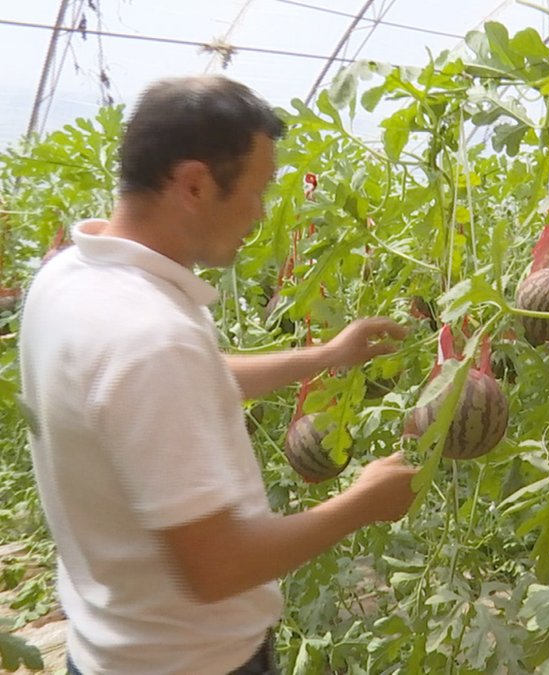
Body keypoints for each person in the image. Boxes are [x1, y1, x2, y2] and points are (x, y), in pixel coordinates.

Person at [18, 75, 420, 674]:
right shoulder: (151, 340)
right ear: (195, 185)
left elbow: (180, 386)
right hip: (193, 661)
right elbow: (219, 569)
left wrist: (327, 356)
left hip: (110, 649)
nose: (259, 214)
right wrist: (361, 503)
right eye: (257, 192)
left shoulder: (73, 277)